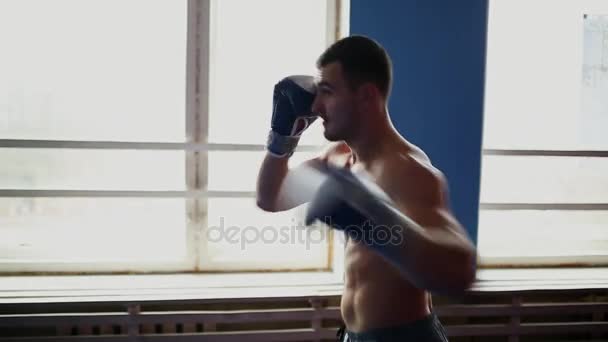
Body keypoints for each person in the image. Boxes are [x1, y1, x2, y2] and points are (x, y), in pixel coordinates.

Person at [256, 35, 476, 342]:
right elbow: (271, 197)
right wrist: (282, 135)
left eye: (328, 92)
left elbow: (459, 275)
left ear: (366, 96)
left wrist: (371, 218)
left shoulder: (406, 171)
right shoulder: (338, 160)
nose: (316, 107)